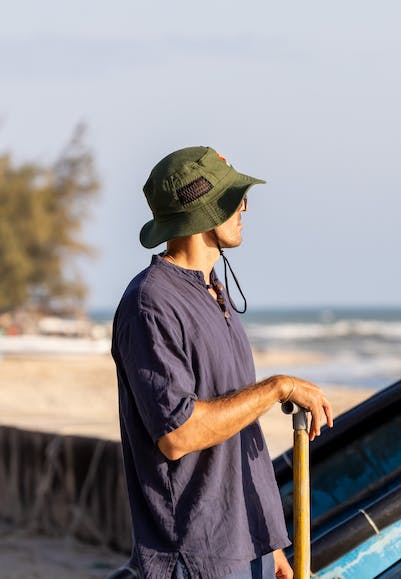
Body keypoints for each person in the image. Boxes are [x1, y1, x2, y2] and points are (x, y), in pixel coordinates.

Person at [112, 146, 333, 578]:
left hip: (245, 549)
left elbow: (233, 435)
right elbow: (179, 433)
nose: (245, 207)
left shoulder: (214, 291)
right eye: (234, 198)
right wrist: (277, 388)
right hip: (196, 558)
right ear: (203, 213)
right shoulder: (151, 302)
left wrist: (268, 547)